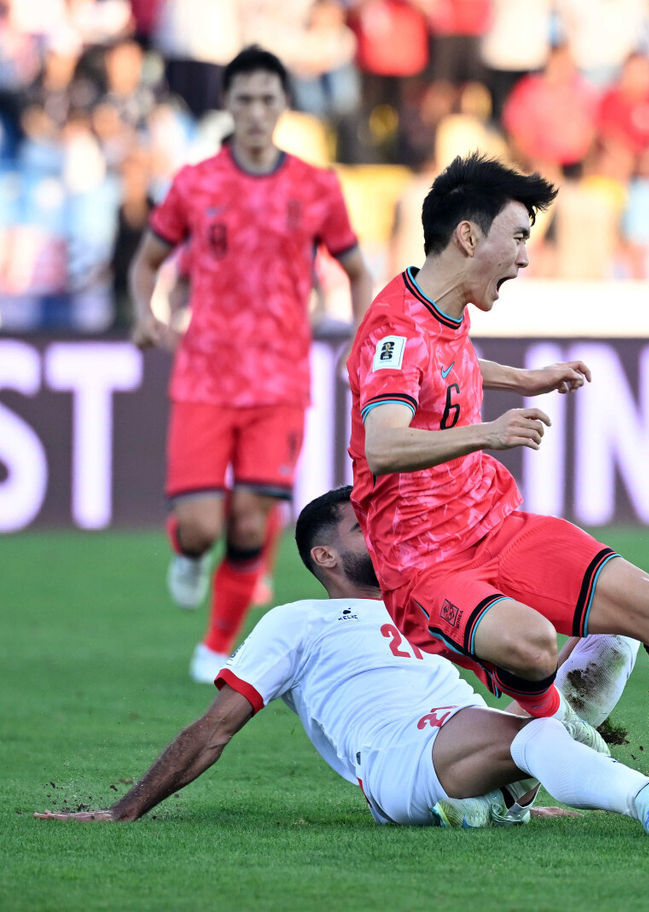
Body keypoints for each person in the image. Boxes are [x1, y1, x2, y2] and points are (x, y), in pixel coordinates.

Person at [346, 152, 649, 832]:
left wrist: (526, 378)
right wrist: (490, 432)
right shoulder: (394, 327)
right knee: (532, 646)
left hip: (497, 527)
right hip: (429, 568)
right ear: (467, 236)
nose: (523, 258)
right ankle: (542, 762)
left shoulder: (439, 310)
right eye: (517, 238)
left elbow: (444, 364)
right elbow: (384, 443)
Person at [34, 487, 649, 836]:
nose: (380, 526)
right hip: (398, 757)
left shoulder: (425, 596)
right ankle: (646, 798)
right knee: (525, 736)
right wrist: (122, 813)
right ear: (325, 557)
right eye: (359, 525)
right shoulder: (296, 622)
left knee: (621, 626)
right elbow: (214, 729)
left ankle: (499, 794)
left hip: (468, 723)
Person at [129, 45, 374, 684]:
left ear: (283, 105)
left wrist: (361, 334)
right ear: (228, 105)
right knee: (202, 526)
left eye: (269, 99)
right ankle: (186, 552)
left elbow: (356, 270)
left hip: (280, 381)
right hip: (204, 377)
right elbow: (147, 261)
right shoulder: (195, 183)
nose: (258, 112)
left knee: (251, 516)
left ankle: (216, 644)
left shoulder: (316, 186)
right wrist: (144, 312)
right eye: (245, 100)